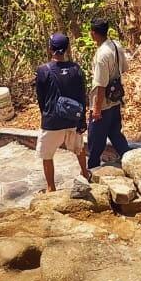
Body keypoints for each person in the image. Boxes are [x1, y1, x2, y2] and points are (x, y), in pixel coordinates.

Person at [34, 33, 91, 191]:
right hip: (73, 118)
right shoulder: (76, 69)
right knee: (78, 148)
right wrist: (82, 120)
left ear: (51, 48)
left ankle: (51, 187)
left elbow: (41, 98)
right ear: (67, 49)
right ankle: (85, 174)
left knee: (47, 155)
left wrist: (46, 115)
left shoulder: (43, 70)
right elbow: (81, 95)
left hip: (52, 121)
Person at [87, 18, 131, 167]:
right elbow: (124, 68)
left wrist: (97, 110)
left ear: (93, 33)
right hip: (115, 98)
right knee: (115, 133)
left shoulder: (101, 55)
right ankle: (129, 160)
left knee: (95, 140)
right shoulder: (116, 45)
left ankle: (92, 168)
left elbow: (100, 86)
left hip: (103, 104)